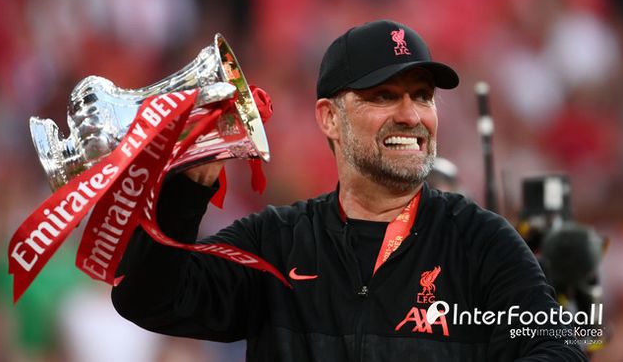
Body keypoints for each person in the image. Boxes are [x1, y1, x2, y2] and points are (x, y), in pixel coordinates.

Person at [112, 20, 587, 361]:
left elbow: (560, 348)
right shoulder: (276, 244)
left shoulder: (480, 243)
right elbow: (148, 299)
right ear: (329, 118)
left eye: (422, 96)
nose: (411, 115)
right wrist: (189, 185)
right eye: (384, 96)